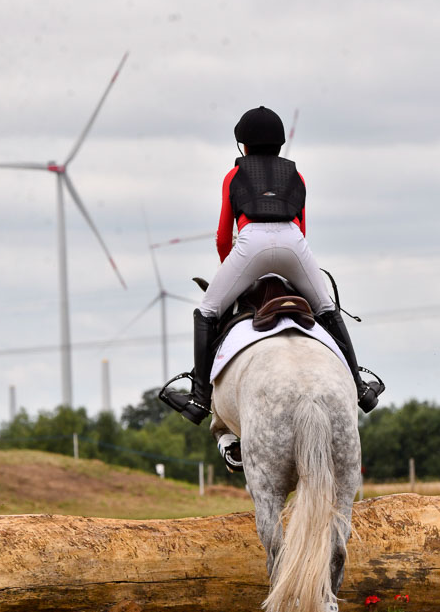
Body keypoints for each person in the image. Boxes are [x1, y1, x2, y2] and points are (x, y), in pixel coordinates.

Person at [162, 106, 385, 425]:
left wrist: (234, 271)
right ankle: (360, 388)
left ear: (244, 145)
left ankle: (199, 398)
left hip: (249, 243)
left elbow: (224, 235)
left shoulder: (234, 175)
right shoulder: (297, 175)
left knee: (207, 311)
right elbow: (302, 229)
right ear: (280, 144)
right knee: (325, 308)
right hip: (294, 244)